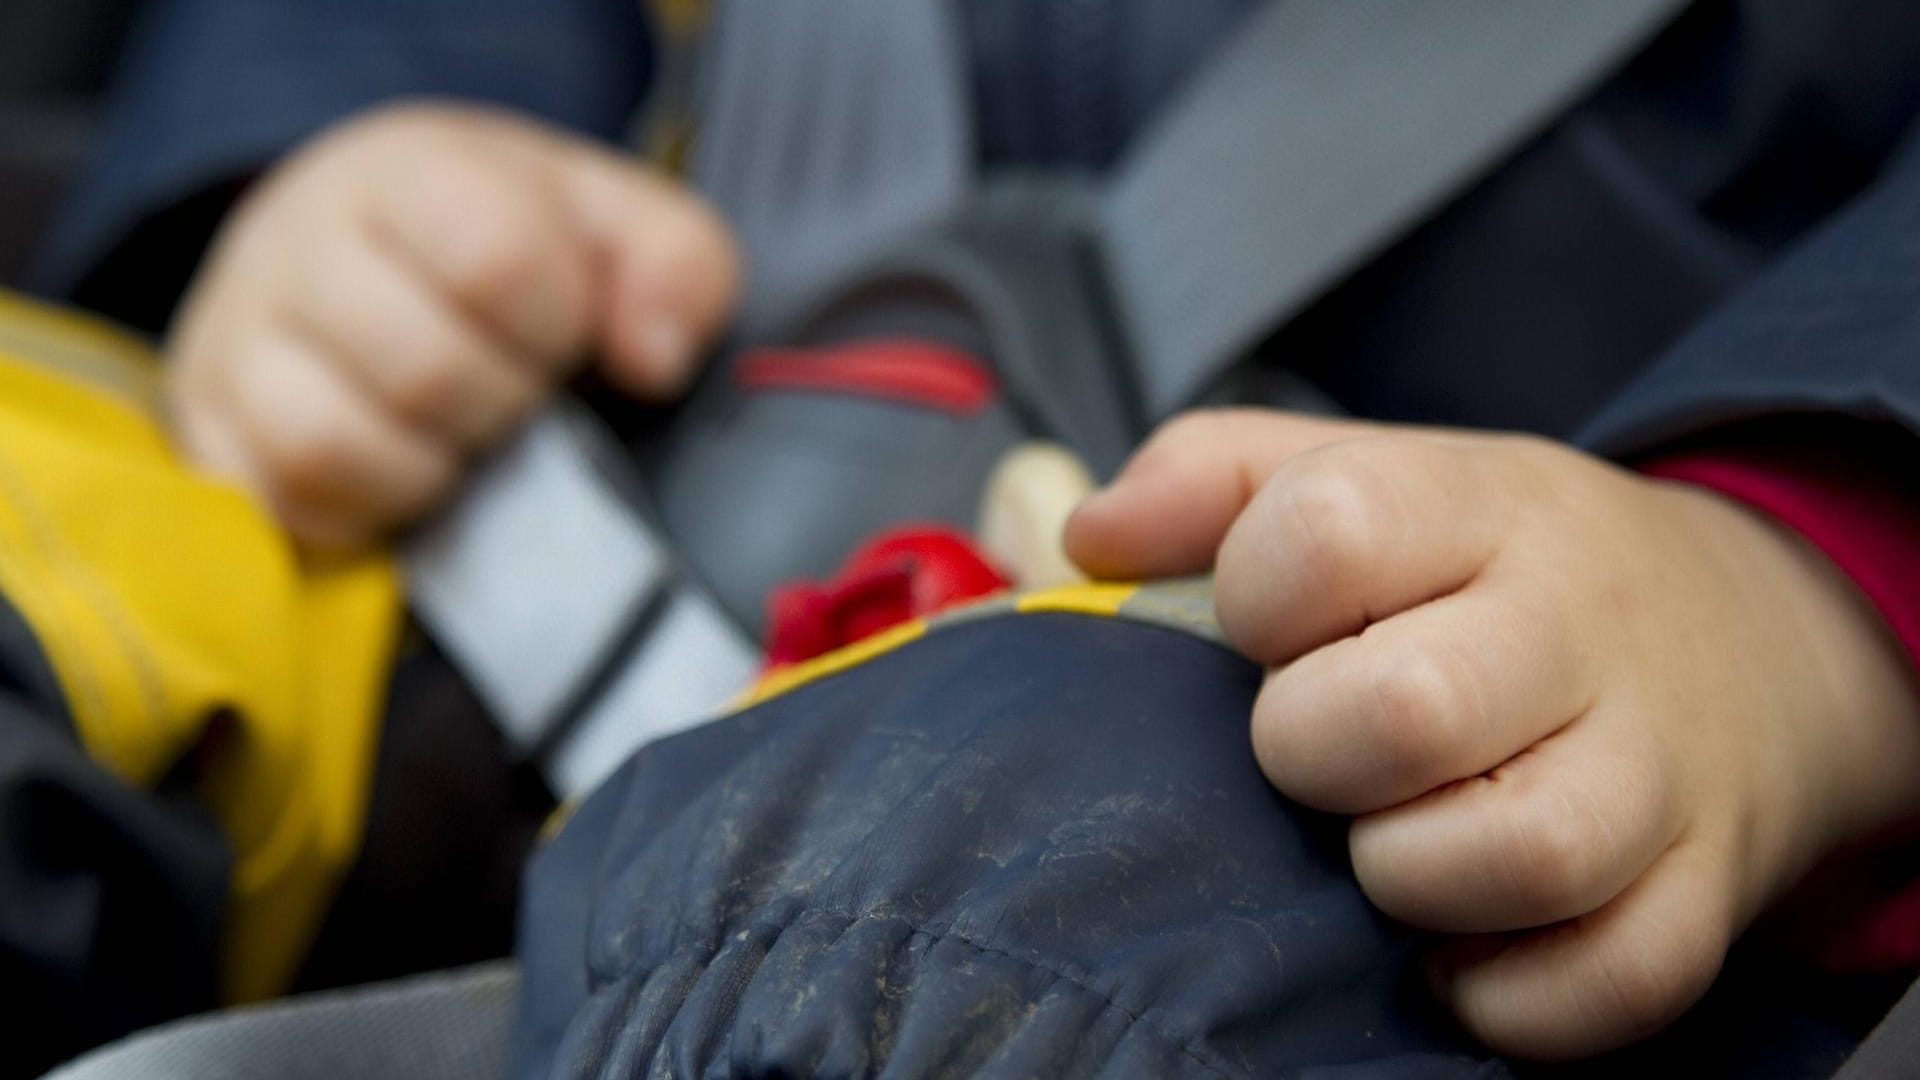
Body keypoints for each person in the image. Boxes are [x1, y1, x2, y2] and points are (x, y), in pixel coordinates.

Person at [13, 0, 1920, 1071]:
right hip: (559, 424)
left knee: (1026, 918)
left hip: (1452, 660)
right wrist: (355, 146)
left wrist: (1804, 599)